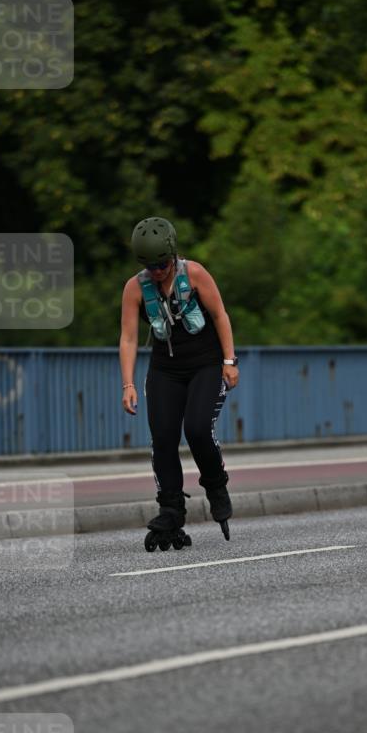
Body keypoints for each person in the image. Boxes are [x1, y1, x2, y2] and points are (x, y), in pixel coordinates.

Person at [120, 217, 239, 549]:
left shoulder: (195, 273)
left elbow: (220, 316)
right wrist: (127, 384)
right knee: (163, 439)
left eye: (162, 264)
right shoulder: (135, 288)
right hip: (164, 371)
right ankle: (171, 510)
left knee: (198, 429)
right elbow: (128, 339)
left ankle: (215, 484)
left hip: (206, 364)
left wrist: (229, 361)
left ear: (172, 255)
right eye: (150, 266)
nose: (157, 271)